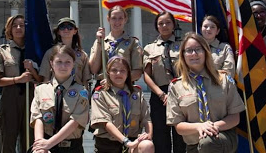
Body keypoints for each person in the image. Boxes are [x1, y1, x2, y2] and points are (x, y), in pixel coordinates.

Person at [166, 32, 244, 153]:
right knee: (205, 143)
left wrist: (212, 127)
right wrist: (199, 127)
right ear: (183, 55)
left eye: (198, 49)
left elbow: (235, 118)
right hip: (194, 145)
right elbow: (178, 126)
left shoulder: (224, 80)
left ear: (206, 52)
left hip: (222, 137)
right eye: (189, 50)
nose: (194, 54)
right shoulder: (176, 87)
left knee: (208, 142)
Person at [0, 14, 42, 152]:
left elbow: (42, 80)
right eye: (15, 25)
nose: (18, 28)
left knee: (30, 139)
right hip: (10, 96)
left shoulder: (34, 52)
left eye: (22, 25)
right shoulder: (3, 51)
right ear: (9, 29)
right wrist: (17, 79)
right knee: (8, 138)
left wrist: (32, 70)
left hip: (31, 96)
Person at [30, 45, 89, 153]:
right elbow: (37, 118)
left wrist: (49, 143)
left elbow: (75, 122)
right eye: (59, 62)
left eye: (68, 62)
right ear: (51, 64)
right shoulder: (40, 90)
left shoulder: (81, 92)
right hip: (45, 148)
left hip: (71, 148)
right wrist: (40, 145)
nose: (63, 66)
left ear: (73, 64)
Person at [142, 11, 185, 153]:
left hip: (181, 94)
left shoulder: (184, 45)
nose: (164, 26)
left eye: (168, 22)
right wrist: (161, 94)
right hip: (160, 95)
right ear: (156, 26)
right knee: (160, 137)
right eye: (161, 23)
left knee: (181, 136)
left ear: (174, 25)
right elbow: (147, 75)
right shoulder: (150, 48)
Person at [91, 57, 153, 153]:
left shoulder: (137, 93)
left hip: (132, 141)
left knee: (147, 145)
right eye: (114, 70)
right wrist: (126, 142)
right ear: (108, 73)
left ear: (128, 73)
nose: (118, 74)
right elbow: (106, 123)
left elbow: (146, 119)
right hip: (108, 144)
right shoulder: (100, 94)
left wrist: (148, 134)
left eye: (122, 70)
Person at [89, 6, 142, 85]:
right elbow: (93, 69)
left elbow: (137, 72)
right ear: (108, 19)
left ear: (125, 20)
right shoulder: (100, 41)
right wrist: (99, 43)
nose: (117, 21)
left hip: (125, 86)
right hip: (102, 86)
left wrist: (114, 81)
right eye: (114, 18)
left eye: (120, 18)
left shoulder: (133, 42)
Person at [40, 18, 90, 88]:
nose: (66, 30)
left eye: (70, 27)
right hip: (56, 93)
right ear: (58, 32)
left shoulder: (82, 55)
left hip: (76, 94)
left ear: (75, 31)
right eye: (62, 27)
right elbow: (46, 78)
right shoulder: (50, 53)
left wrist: (85, 97)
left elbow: (85, 80)